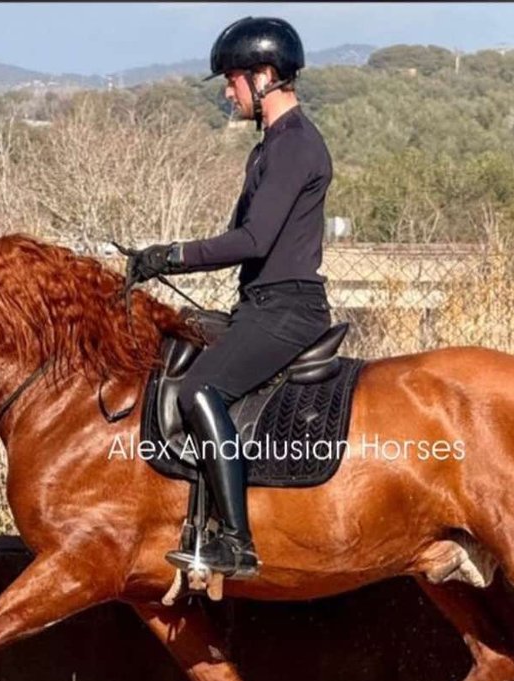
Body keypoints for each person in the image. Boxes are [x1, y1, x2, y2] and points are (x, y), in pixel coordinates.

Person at [128, 16, 335, 580]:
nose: (227, 91)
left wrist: (168, 256)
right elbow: (240, 244)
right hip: (260, 304)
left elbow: (252, 240)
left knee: (199, 389)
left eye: (232, 79)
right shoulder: (268, 148)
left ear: (264, 76)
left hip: (289, 309)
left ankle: (237, 543)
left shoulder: (295, 145)